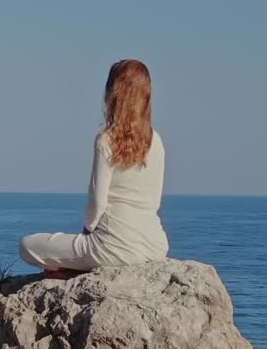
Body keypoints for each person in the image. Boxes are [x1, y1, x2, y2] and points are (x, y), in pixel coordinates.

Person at [18, 59, 169, 278]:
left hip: (114, 246)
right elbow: (155, 201)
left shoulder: (107, 139)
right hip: (154, 244)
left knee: (28, 245)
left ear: (113, 93)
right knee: (83, 247)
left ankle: (74, 270)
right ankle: (80, 264)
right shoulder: (157, 141)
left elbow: (97, 202)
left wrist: (88, 230)